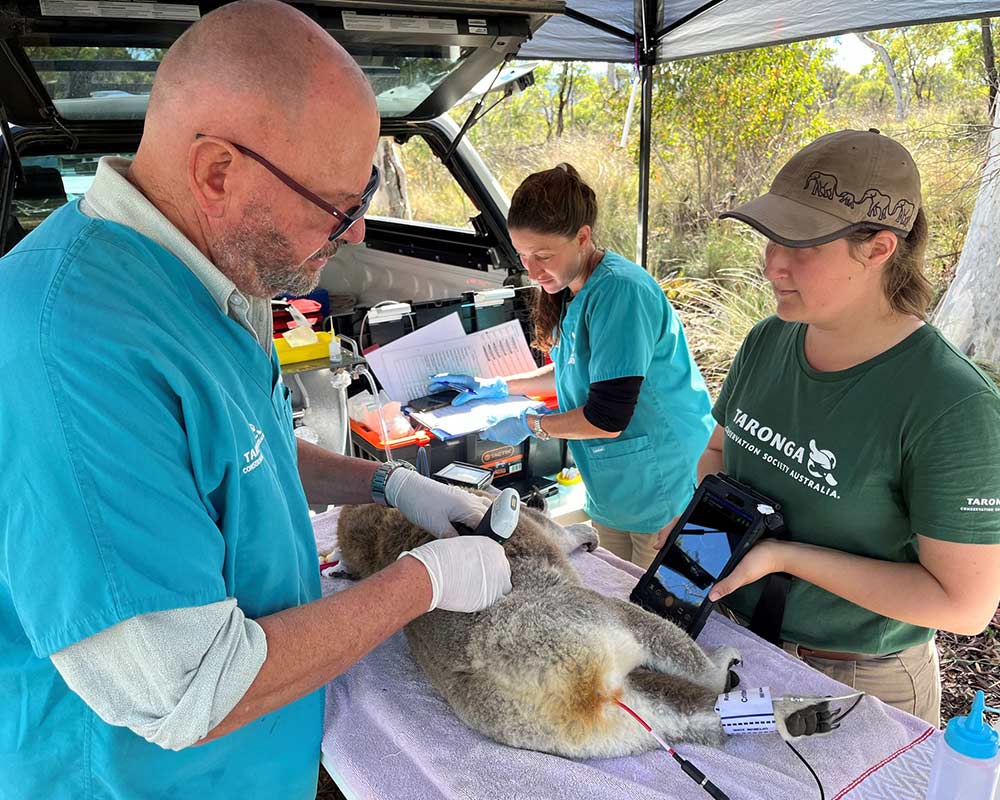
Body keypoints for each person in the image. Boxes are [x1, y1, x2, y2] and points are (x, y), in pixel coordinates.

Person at [0, 3, 513, 798]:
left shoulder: (212, 281)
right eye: (338, 206)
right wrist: (424, 582)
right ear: (216, 173)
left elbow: (248, 451)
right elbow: (187, 690)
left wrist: (387, 484)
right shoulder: (73, 347)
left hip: (253, 759)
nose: (353, 234)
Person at [701, 129, 1000, 726]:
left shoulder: (952, 404)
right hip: (742, 641)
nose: (772, 264)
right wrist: (707, 530)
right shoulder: (767, 341)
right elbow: (717, 450)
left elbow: (965, 605)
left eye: (800, 245)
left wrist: (785, 558)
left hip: (859, 676)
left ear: (879, 248)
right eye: (769, 239)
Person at [431, 164, 714, 568]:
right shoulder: (572, 288)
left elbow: (607, 415)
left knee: (654, 612)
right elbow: (573, 370)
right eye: (523, 256)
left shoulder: (619, 292)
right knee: (614, 596)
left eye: (543, 256)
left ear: (583, 237)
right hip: (616, 483)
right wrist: (497, 386)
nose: (531, 271)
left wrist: (534, 425)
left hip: (662, 482)